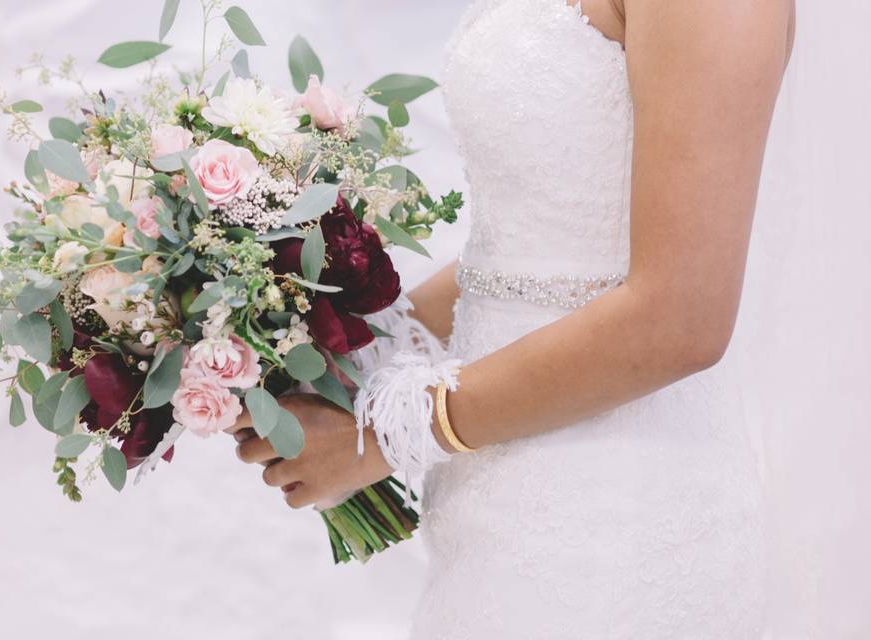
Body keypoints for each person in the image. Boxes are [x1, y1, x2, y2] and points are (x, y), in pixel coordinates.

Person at [232, 0, 796, 636]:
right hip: (491, 489)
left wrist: (392, 432)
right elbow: (526, 262)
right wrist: (334, 347)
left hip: (617, 510)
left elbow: (681, 320)